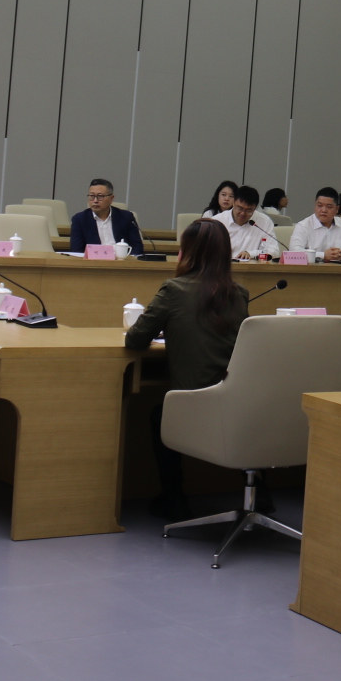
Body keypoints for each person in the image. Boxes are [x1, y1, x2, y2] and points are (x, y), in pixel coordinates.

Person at [126, 220, 250, 521]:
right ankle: (262, 493)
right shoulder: (240, 293)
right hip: (238, 404)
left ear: (187, 252)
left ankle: (175, 499)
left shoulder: (174, 289)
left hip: (196, 404)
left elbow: (136, 340)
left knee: (159, 414)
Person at [70, 178, 143, 254]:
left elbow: (137, 248)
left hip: (122, 260)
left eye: (100, 196)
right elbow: (76, 250)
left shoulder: (126, 217)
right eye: (92, 196)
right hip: (94, 260)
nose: (95, 201)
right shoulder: (79, 219)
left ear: (111, 198)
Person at [213, 185, 280, 260]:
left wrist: (251, 254)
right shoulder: (217, 221)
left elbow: (274, 252)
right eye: (240, 208)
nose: (243, 213)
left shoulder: (264, 222)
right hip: (222, 265)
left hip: (251, 266)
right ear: (234, 202)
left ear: (255, 208)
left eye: (249, 210)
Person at [289, 187, 341, 262]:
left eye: (329, 207)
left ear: (337, 209)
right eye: (319, 206)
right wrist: (323, 255)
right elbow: (294, 252)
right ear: (315, 205)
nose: (323, 210)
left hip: (338, 268)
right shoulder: (303, 226)